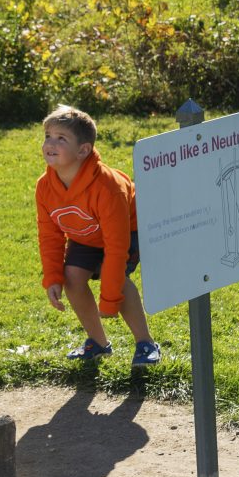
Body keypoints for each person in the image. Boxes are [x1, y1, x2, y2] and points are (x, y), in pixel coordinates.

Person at [35, 105, 161, 366]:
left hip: (128, 230)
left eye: (61, 138)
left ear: (83, 150)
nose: (50, 143)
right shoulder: (44, 187)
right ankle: (98, 343)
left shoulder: (108, 187)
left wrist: (110, 298)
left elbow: (117, 247)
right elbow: (50, 236)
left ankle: (146, 343)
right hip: (88, 235)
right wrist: (53, 277)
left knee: (111, 272)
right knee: (72, 277)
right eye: (48, 135)